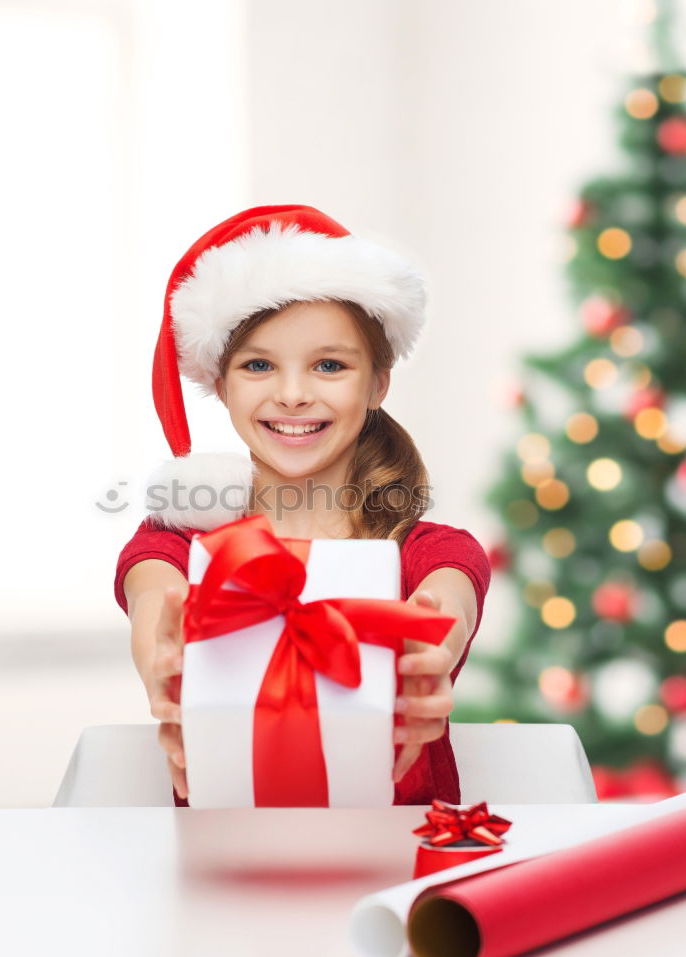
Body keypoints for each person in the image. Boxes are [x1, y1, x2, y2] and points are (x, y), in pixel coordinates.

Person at [113, 205, 491, 806]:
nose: (292, 395)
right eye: (259, 365)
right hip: (221, 875)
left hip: (400, 876)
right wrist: (163, 648)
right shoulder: (179, 543)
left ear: (377, 383)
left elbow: (449, 600)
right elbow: (153, 597)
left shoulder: (427, 552)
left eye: (330, 365)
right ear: (221, 383)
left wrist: (431, 645)